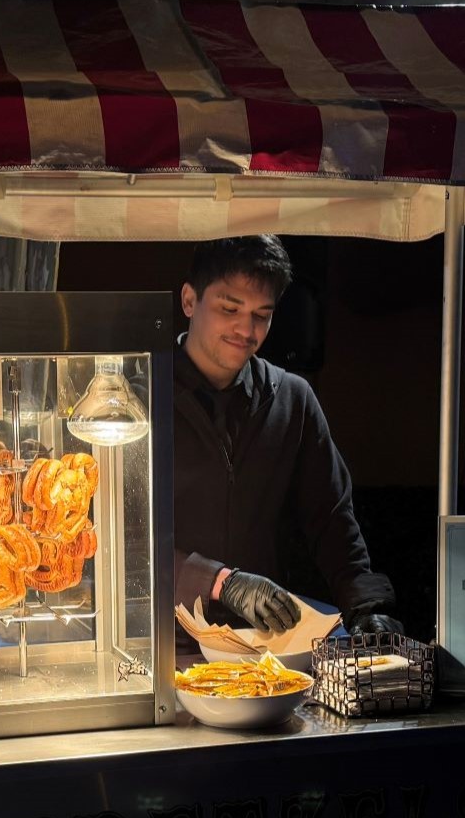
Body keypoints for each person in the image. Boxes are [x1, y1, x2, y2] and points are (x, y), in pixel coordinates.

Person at [172, 235, 402, 641]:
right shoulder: (140, 394)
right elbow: (123, 541)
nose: (247, 329)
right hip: (158, 638)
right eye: (230, 309)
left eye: (262, 314)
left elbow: (333, 521)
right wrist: (220, 581)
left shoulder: (292, 399)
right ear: (190, 300)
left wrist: (368, 607)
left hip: (263, 643)